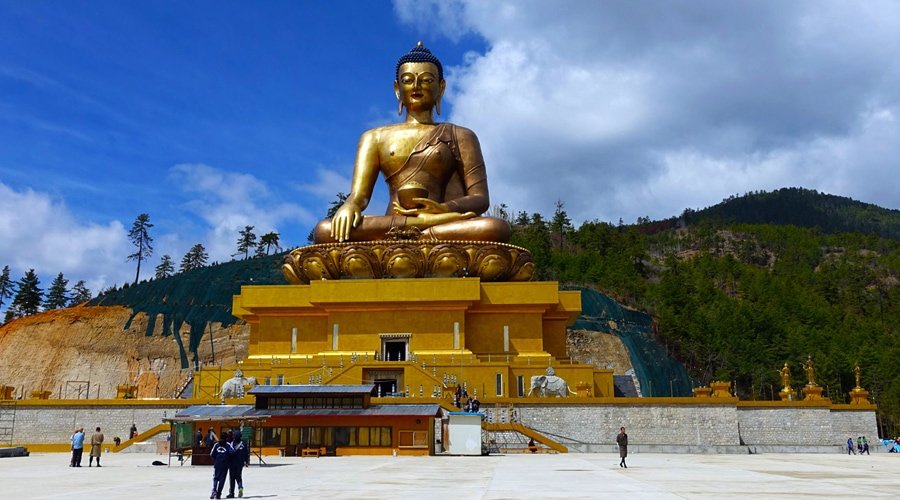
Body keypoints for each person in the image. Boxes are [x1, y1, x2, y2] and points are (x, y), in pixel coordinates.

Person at [311, 42, 510, 244]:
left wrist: (444, 210)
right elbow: (359, 196)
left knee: (494, 228)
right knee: (325, 230)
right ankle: (419, 230)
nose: (416, 86)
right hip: (395, 223)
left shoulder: (461, 135)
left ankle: (415, 233)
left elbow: (480, 199)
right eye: (408, 80)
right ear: (397, 88)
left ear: (440, 88)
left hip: (440, 222)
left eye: (426, 80)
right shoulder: (374, 137)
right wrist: (350, 205)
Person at [210, 434, 233, 499]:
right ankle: (218, 494)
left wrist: (216, 459)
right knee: (222, 480)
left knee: (216, 478)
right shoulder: (228, 445)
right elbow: (232, 452)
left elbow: (212, 454)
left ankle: (214, 490)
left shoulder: (216, 445)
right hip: (225, 465)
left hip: (217, 464)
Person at [227, 430, 248, 498]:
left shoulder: (232, 444)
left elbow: (230, 453)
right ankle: (240, 487)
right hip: (240, 464)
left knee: (232, 478)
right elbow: (246, 454)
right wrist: (246, 461)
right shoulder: (244, 444)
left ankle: (232, 493)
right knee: (239, 476)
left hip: (232, 463)